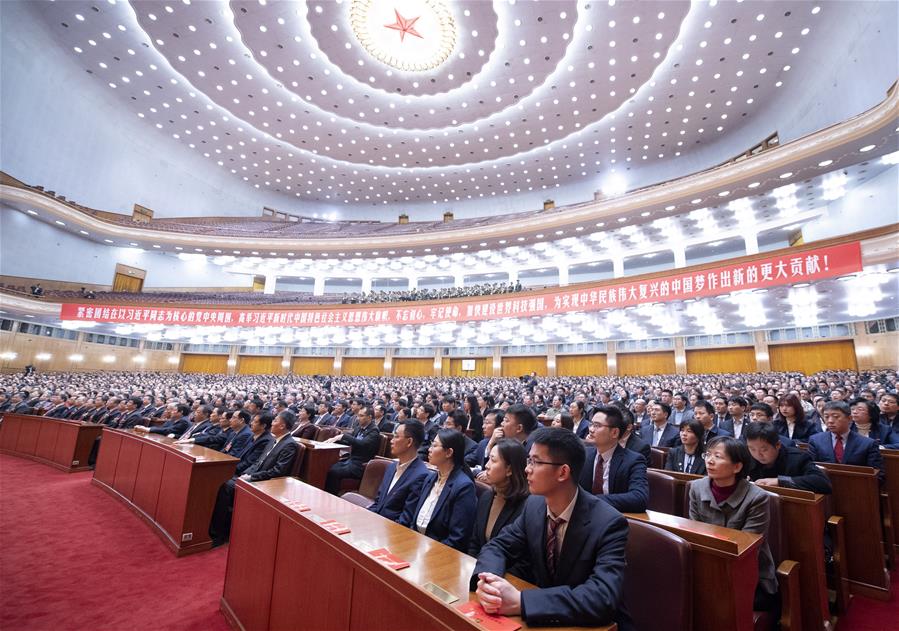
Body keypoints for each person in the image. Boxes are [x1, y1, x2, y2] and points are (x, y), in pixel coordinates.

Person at [471, 428, 631, 629]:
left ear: (563, 472)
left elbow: (601, 597)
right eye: (528, 461)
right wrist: (489, 581)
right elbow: (498, 546)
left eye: (535, 462)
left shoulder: (609, 523)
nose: (527, 469)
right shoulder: (533, 505)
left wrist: (522, 601)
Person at [689, 436, 778, 614]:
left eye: (718, 456)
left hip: (748, 573)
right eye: (708, 455)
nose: (710, 461)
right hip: (706, 568)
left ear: (737, 466)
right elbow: (694, 533)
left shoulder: (757, 497)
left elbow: (747, 548)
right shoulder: (696, 487)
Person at [209, 411, 298, 546]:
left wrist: (251, 477)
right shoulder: (274, 440)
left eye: (275, 421)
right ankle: (214, 526)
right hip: (252, 476)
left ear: (282, 426)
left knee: (226, 486)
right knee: (218, 480)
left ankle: (219, 534)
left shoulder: (290, 444)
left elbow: (278, 471)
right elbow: (258, 463)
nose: (272, 424)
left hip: (264, 482)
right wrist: (245, 473)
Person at [399, 429, 476, 551]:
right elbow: (414, 519)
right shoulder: (430, 478)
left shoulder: (464, 487)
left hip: (439, 553)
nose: (429, 449)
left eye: (434, 445)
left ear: (449, 452)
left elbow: (457, 538)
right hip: (416, 544)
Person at [469, 439, 530, 575]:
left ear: (509, 469)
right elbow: (474, 542)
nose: (487, 466)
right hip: (480, 572)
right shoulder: (486, 497)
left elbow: (524, 560)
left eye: (493, 460)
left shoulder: (527, 506)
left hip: (506, 580)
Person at [579, 406, 648, 513]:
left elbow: (639, 498)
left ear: (615, 432)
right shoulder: (584, 454)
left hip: (613, 517)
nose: (591, 430)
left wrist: (592, 501)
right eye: (591, 424)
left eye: (597, 426)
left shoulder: (634, 460)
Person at [368, 420, 430, 521]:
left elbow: (405, 519)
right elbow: (378, 503)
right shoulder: (391, 467)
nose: (391, 441)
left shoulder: (421, 475)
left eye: (396, 436)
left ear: (409, 442)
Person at [745, 423, 832, 494]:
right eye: (752, 449)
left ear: (778, 445)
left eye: (764, 450)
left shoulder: (797, 458)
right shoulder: (746, 456)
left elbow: (823, 483)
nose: (758, 454)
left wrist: (780, 481)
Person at [808, 401, 884, 481]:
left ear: (849, 418)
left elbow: (878, 475)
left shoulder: (868, 443)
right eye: (826, 417)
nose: (830, 421)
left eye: (836, 417)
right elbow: (810, 469)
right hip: (825, 487)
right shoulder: (815, 440)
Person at [323, 404, 381, 494]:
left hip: (361, 464)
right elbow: (350, 442)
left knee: (334, 471)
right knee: (328, 467)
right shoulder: (358, 428)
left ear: (369, 417)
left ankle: (332, 495)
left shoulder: (374, 431)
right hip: (351, 460)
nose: (358, 418)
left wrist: (344, 436)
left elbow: (362, 444)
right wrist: (335, 440)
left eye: (361, 416)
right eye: (358, 415)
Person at [234, 412, 275, 476]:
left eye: (255, 422)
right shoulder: (252, 435)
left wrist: (232, 469)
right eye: (252, 420)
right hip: (237, 467)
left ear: (263, 426)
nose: (251, 423)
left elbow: (249, 462)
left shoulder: (266, 441)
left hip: (244, 473)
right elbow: (241, 454)